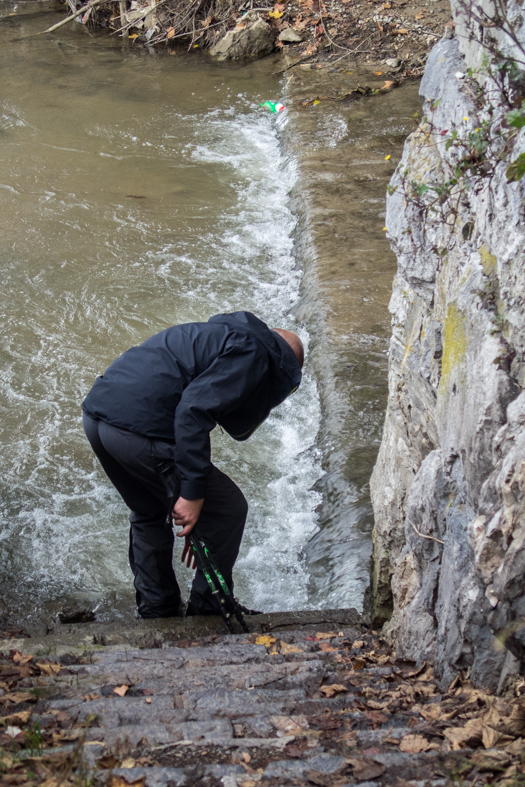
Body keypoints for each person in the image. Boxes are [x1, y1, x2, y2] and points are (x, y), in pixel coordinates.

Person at [82, 311, 304, 619]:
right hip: (137, 429)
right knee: (228, 509)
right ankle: (208, 611)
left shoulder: (222, 335)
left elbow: (187, 410)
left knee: (148, 512)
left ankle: (158, 611)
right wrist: (193, 496)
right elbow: (192, 412)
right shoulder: (256, 353)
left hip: (98, 418)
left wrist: (190, 495)